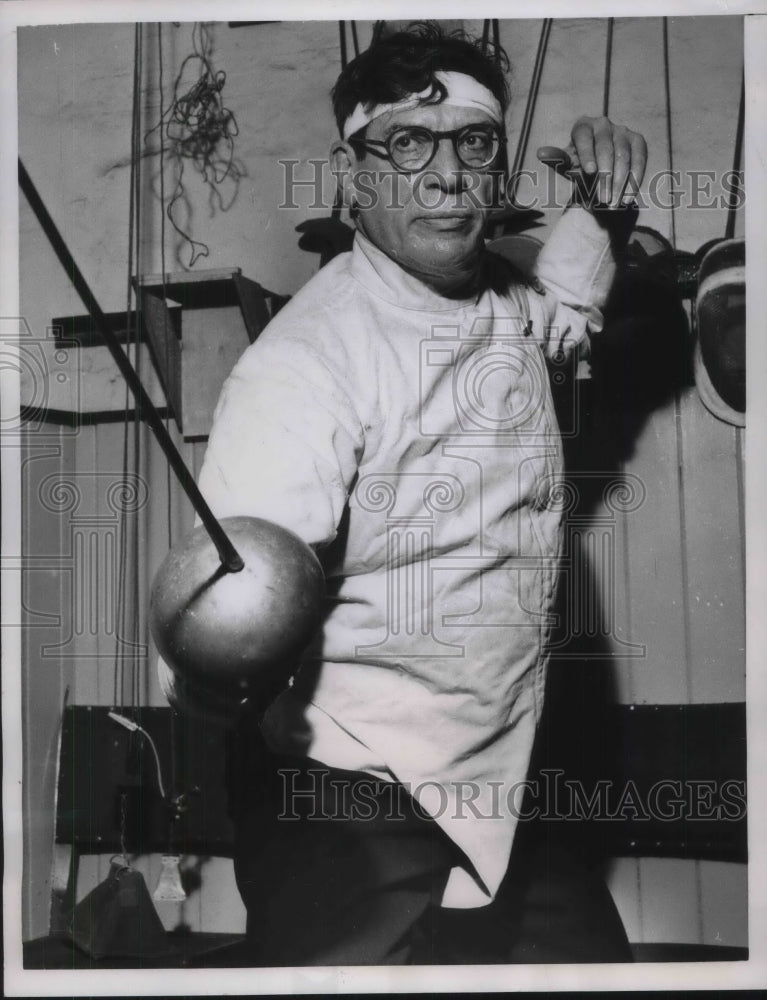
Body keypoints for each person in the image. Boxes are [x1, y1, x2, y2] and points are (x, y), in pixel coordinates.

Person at [160, 22, 647, 965]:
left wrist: (602, 208)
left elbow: (570, 322)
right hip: (345, 790)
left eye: (472, 144)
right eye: (406, 145)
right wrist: (212, 669)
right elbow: (237, 581)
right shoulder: (304, 362)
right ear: (354, 176)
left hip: (499, 778)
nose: (444, 175)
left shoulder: (507, 302)